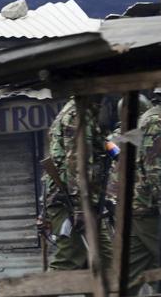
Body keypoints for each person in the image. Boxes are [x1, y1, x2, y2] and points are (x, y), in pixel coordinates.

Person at [41, 97, 114, 271]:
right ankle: (38, 296)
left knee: (105, 261)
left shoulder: (85, 112)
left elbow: (101, 146)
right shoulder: (77, 114)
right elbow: (77, 163)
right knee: (71, 256)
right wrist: (80, 208)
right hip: (71, 202)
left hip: (84, 202)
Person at [127, 88, 161, 293]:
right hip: (151, 209)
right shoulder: (158, 122)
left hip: (141, 206)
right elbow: (157, 171)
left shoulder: (158, 119)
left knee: (130, 272)